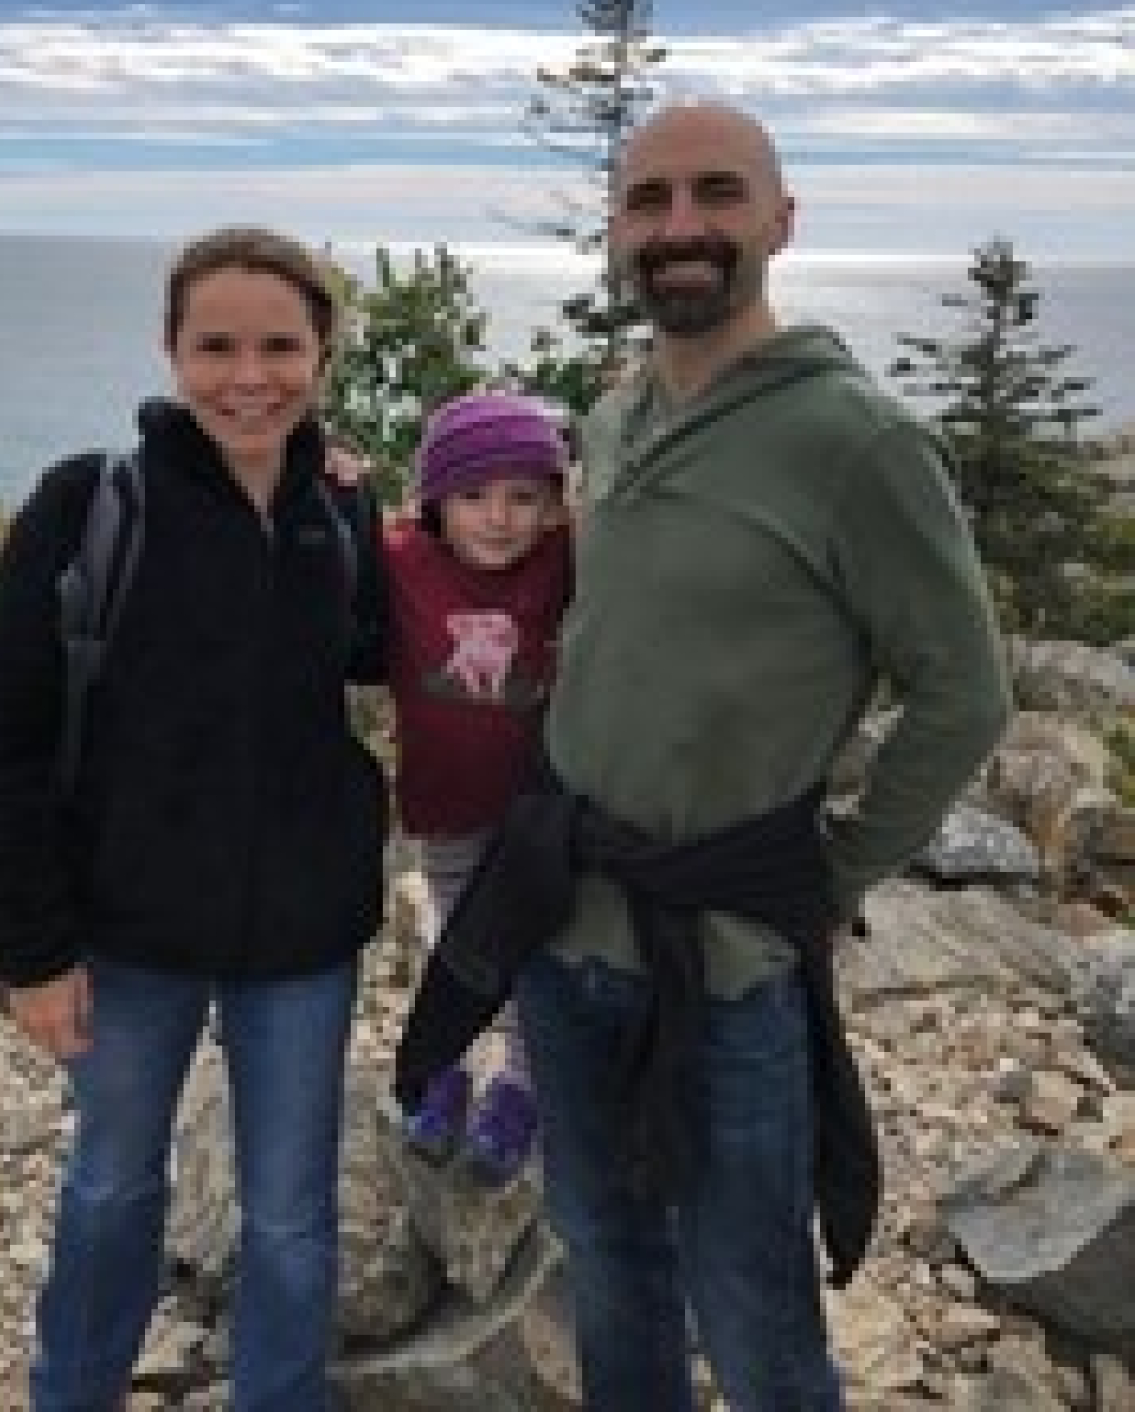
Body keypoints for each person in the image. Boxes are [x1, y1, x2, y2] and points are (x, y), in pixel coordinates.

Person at [399, 102, 1012, 1410]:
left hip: (724, 964)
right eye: (647, 201)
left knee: (752, 1316)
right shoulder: (613, 418)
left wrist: (835, 870)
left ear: (779, 220)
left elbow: (964, 692)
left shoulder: (856, 443)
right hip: (564, 934)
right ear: (618, 234)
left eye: (716, 195)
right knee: (611, 1273)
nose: (679, 228)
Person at [0, 227, 389, 1412]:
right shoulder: (91, 507)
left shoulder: (343, 514)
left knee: (295, 1217)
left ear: (323, 353)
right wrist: (31, 951)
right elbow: (1, 739)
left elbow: (385, 652)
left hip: (301, 937)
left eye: (280, 347)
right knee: (109, 1192)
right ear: (169, 350)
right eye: (216, 346)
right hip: (125, 927)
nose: (249, 376)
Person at [386, 389, 571, 1181]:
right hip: (445, 806)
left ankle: (524, 1086)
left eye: (524, 497)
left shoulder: (563, 562)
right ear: (436, 500)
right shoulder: (400, 559)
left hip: (539, 815)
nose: (499, 518)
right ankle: (445, 1062)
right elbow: (323, 530)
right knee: (460, 945)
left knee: (539, 955)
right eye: (473, 496)